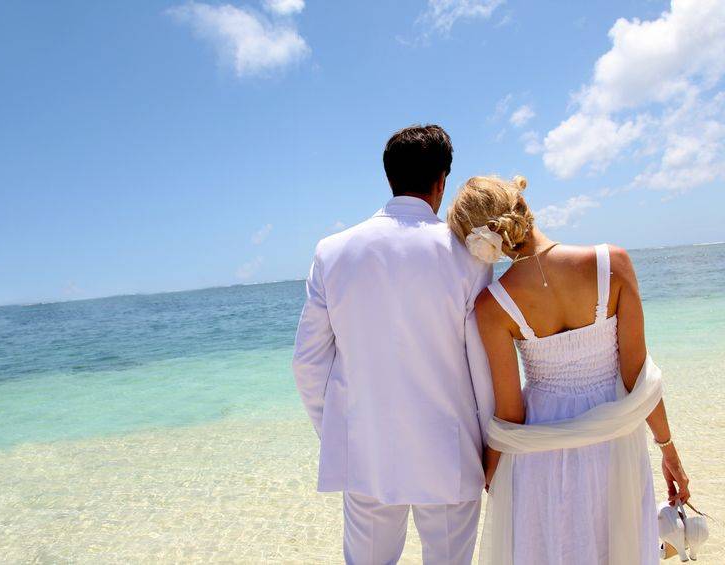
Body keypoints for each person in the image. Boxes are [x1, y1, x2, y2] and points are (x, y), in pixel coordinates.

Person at [447, 175, 691, 564]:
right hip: (615, 438)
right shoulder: (613, 262)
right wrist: (668, 449)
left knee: (553, 547)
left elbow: (510, 413)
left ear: (482, 243)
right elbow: (638, 377)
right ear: (522, 204)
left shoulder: (491, 306)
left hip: (540, 445)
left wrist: (491, 471)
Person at [292, 125, 494, 564]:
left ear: (389, 179)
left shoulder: (332, 251)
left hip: (367, 453)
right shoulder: (468, 257)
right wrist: (492, 444)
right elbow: (483, 366)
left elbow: (307, 364)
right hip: (450, 451)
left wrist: (340, 430)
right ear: (442, 181)